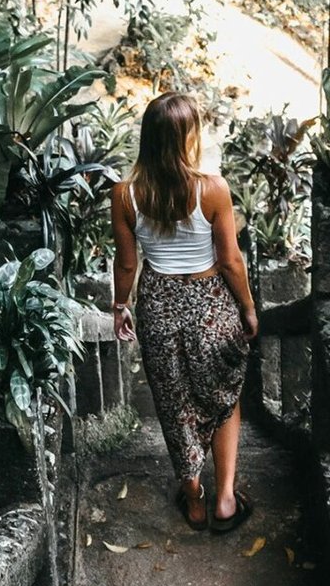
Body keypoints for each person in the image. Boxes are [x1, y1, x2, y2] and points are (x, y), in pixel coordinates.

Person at [111, 93, 260, 530]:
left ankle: (193, 496)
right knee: (224, 397)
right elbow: (231, 260)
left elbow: (126, 263)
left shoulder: (125, 195)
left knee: (174, 403)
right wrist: (248, 309)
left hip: (158, 306)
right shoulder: (212, 189)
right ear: (188, 137)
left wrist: (121, 307)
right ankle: (226, 499)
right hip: (210, 302)